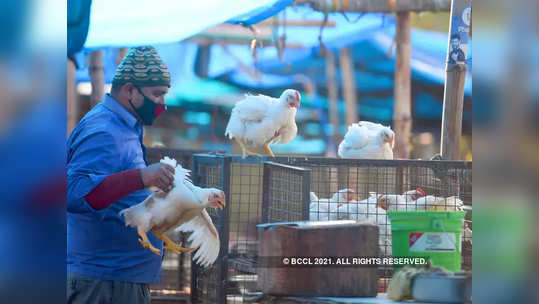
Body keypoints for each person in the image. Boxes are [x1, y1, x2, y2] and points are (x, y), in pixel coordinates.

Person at [67, 46, 175, 304]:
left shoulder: (125, 127)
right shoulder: (104, 131)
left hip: (116, 279)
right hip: (103, 283)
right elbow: (74, 193)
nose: (162, 104)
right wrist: (142, 178)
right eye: (157, 94)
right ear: (129, 90)